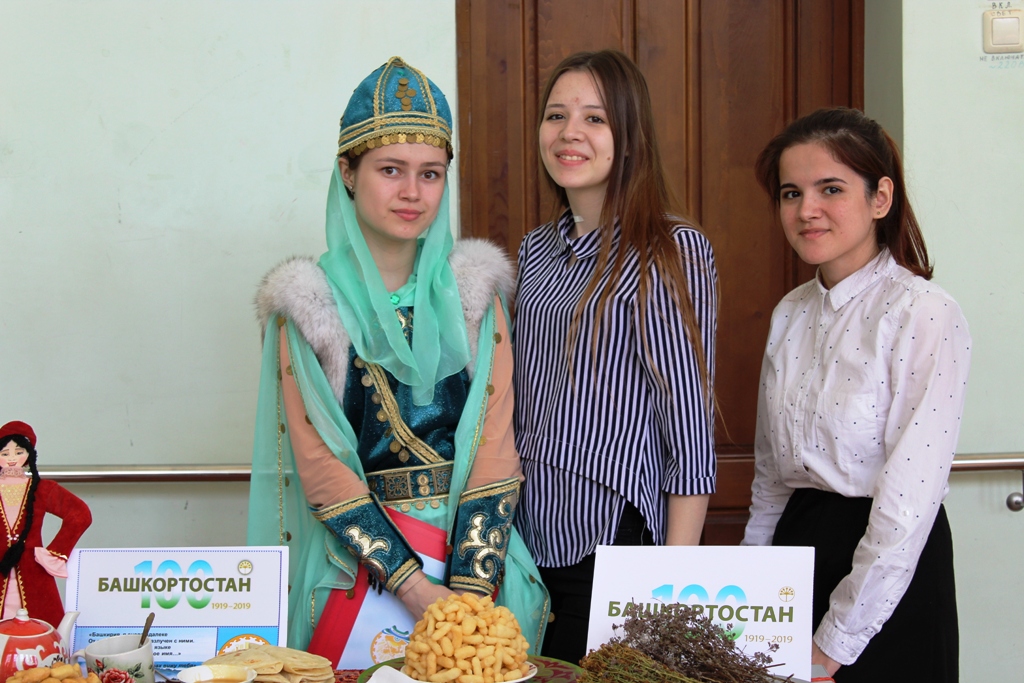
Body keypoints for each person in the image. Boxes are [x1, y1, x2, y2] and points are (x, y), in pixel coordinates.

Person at [247, 57, 548, 667]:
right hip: (359, 569)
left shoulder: (475, 296)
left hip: (477, 561)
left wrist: (467, 596)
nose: (413, 192)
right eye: (390, 170)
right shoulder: (308, 306)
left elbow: (495, 443)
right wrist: (413, 587)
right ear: (347, 172)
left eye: (430, 174)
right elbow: (321, 466)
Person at [742, 107, 970, 682]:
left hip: (888, 574)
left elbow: (906, 506)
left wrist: (835, 640)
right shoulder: (790, 312)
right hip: (797, 554)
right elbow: (771, 477)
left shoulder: (924, 312)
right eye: (791, 193)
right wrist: (750, 589)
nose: (806, 210)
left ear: (880, 198)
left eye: (831, 189)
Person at [512, 50, 718, 664]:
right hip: (526, 538)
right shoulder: (535, 249)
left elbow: (688, 421)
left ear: (630, 138)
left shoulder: (670, 248)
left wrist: (673, 584)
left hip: (611, 536)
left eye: (595, 118)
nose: (569, 132)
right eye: (556, 115)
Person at [0, 421, 92, 627]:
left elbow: (80, 514)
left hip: (33, 574)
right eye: (5, 453)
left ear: (29, 455)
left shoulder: (42, 489)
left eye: (18, 452)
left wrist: (55, 552)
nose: (12, 459)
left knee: (44, 629)